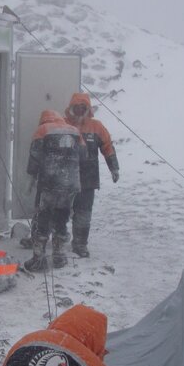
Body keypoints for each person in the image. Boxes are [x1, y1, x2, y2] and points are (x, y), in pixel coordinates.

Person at [23, 109, 83, 272]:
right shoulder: (74, 131)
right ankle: (59, 256)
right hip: (70, 184)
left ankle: (39, 259)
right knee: (61, 218)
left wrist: (30, 180)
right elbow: (83, 156)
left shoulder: (42, 130)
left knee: (43, 218)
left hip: (50, 183)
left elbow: (34, 157)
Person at [64, 92, 119, 258]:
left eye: (83, 108)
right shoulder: (63, 124)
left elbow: (107, 147)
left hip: (88, 179)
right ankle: (58, 242)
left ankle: (80, 244)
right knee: (61, 211)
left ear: (88, 109)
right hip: (66, 178)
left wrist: (114, 168)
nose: (80, 111)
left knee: (84, 213)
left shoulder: (97, 127)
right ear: (71, 108)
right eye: (77, 107)